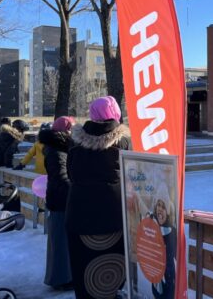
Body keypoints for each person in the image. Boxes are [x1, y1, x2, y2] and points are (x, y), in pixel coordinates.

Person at [65, 96, 131, 298]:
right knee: (111, 276)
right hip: (113, 218)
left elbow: (70, 174)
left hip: (78, 217)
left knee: (84, 274)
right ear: (116, 114)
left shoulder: (75, 142)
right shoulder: (124, 142)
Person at [40, 116, 75, 291]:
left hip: (57, 198)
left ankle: (62, 276)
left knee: (60, 241)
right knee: (60, 242)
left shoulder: (55, 148)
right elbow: (62, 177)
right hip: (61, 200)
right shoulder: (57, 151)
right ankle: (61, 278)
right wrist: (75, 191)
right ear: (66, 131)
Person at [151, 198, 177, 299]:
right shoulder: (152, 228)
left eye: (163, 207)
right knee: (156, 294)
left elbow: (177, 255)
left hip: (169, 276)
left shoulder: (172, 231)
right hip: (155, 275)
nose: (160, 209)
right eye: (159, 205)